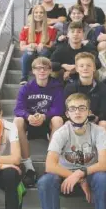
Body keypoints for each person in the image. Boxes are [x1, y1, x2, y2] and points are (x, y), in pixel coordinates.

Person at [32, 93, 106, 209]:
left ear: (88, 111)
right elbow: (50, 165)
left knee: (104, 178)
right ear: (67, 113)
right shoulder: (61, 132)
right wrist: (77, 177)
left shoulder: (99, 131)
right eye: (73, 109)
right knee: (45, 181)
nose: (78, 112)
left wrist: (81, 174)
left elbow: (104, 164)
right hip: (65, 177)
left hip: (90, 174)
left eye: (82, 108)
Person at [14, 57, 64, 188]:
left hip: (47, 122)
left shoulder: (56, 87)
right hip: (30, 121)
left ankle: (50, 164)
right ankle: (29, 167)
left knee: (58, 120)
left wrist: (44, 116)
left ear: (50, 70)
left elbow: (59, 108)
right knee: (17, 121)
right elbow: (18, 109)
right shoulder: (26, 88)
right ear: (33, 71)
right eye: (38, 68)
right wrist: (28, 116)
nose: (42, 71)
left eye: (45, 68)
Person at [64, 52, 106, 133]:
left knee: (104, 124)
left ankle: (101, 146)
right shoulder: (69, 88)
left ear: (94, 68)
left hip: (95, 122)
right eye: (81, 66)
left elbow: (104, 112)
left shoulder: (103, 88)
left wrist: (96, 117)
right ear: (77, 69)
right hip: (75, 120)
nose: (85, 68)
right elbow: (66, 109)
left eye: (89, 65)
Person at [19, 5, 57, 85]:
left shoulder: (51, 29)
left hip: (43, 53)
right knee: (29, 52)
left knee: (44, 51)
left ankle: (40, 77)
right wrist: (29, 46)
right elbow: (22, 47)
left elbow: (51, 46)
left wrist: (43, 45)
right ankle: (24, 78)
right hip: (30, 54)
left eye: (41, 12)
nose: (38, 14)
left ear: (44, 15)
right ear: (33, 14)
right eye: (36, 12)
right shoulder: (26, 29)